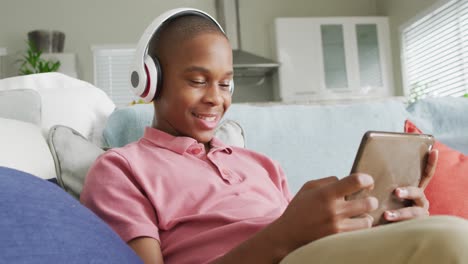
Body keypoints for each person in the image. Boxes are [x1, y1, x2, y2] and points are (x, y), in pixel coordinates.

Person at [81, 9, 468, 264]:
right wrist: (285, 234)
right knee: (453, 239)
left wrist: (392, 219)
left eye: (227, 84)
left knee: (440, 231)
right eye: (198, 81)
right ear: (152, 81)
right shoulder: (121, 168)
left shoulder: (260, 165)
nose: (215, 98)